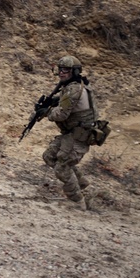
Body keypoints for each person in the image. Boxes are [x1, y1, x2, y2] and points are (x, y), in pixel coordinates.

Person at [41, 55, 97, 211]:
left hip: (77, 136)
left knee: (62, 168)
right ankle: (81, 184)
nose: (61, 73)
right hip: (71, 133)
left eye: (66, 70)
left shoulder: (74, 88)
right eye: (60, 70)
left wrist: (47, 112)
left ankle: (77, 201)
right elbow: (65, 103)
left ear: (75, 71)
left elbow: (61, 114)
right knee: (49, 156)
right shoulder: (72, 86)